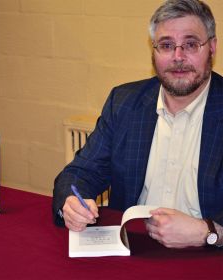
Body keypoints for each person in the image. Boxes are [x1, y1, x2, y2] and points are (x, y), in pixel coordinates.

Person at [52, 0, 223, 248]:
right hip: (133, 249)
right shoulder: (124, 102)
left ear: (212, 48)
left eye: (190, 44)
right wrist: (71, 202)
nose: (178, 57)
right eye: (166, 45)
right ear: (152, 50)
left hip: (208, 257)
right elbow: (80, 173)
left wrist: (206, 231)